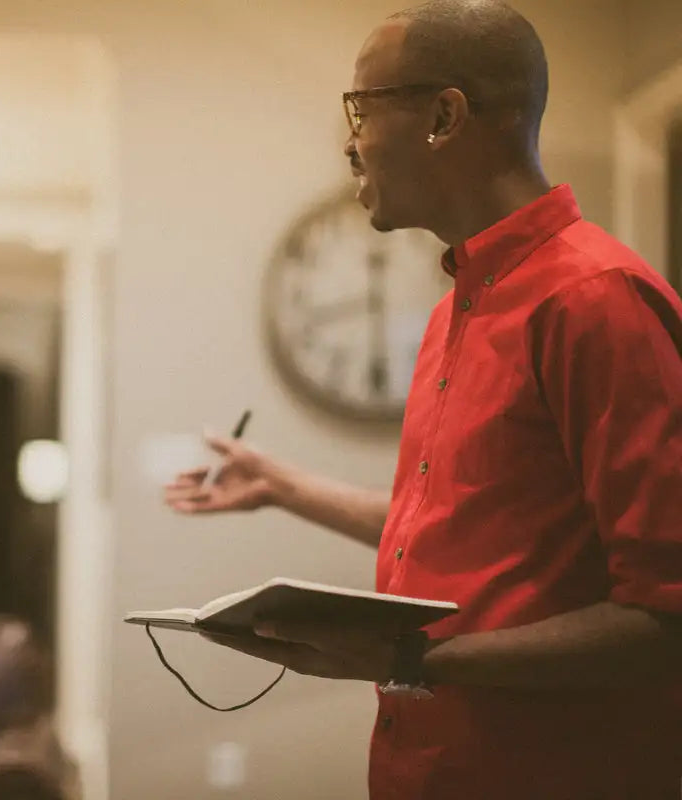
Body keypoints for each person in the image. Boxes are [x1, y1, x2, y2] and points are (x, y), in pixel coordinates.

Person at [165, 1, 682, 798]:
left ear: (444, 116)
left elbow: (666, 618)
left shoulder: (594, 300)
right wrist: (282, 487)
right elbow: (474, 522)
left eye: (361, 109)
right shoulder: (458, 307)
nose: (349, 142)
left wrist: (410, 658)